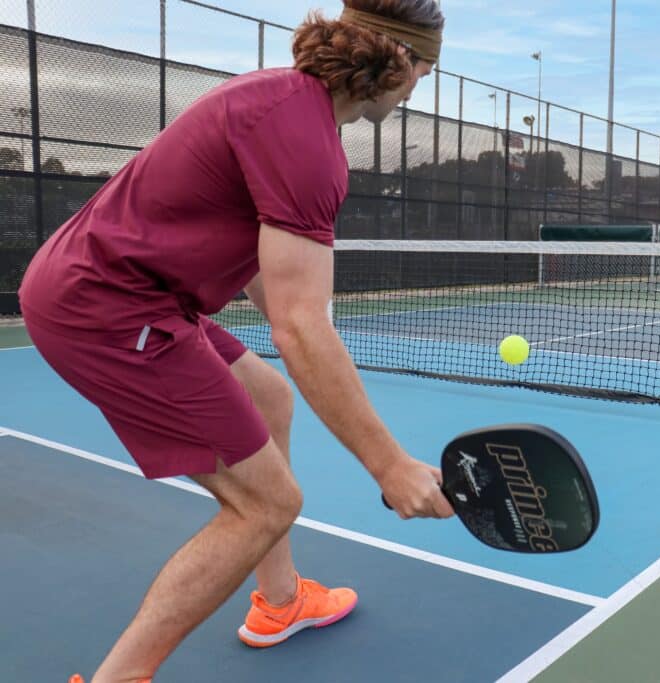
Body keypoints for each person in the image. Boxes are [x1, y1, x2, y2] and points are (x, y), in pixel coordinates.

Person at [17, 3, 452, 682]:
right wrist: (389, 464)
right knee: (269, 502)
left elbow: (268, 284)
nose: (422, 80)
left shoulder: (280, 103)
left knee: (270, 394)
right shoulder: (305, 141)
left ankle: (279, 602)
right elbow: (300, 326)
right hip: (105, 305)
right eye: (426, 64)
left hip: (126, 292)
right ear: (397, 59)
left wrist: (308, 334)